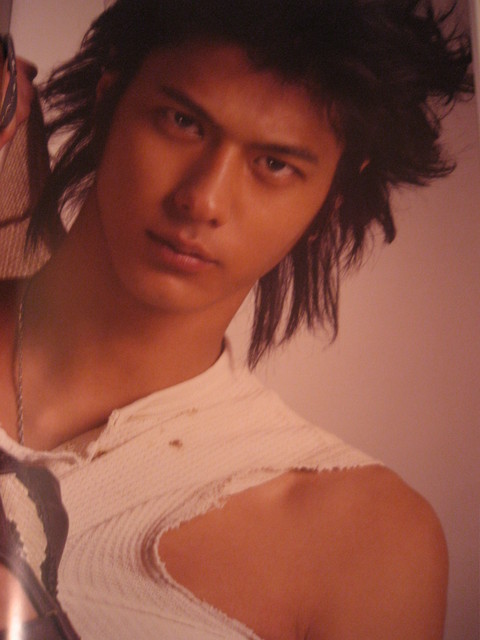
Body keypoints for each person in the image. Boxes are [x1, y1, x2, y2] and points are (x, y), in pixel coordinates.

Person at [0, 0, 473, 638]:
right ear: (110, 95)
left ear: (332, 197)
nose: (203, 199)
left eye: (274, 164)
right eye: (183, 122)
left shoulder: (366, 540)